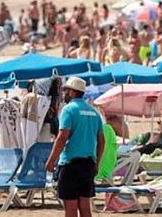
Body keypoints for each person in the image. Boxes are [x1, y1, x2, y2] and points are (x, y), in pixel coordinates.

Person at [45, 77, 104, 217]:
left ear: (71, 92)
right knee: (85, 206)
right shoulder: (94, 112)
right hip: (88, 163)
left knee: (70, 208)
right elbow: (102, 141)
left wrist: (51, 160)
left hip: (71, 164)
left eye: (65, 90)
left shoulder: (69, 110)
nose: (63, 93)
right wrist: (97, 162)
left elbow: (62, 138)